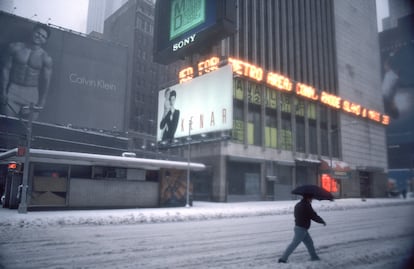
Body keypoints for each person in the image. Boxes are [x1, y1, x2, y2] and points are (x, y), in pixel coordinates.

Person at [1, 23, 53, 119]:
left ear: (45, 41)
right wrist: (3, 92)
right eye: (38, 33)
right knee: (7, 123)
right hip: (13, 89)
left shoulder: (45, 58)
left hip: (32, 93)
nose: (39, 36)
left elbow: (46, 82)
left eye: (43, 36)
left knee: (27, 128)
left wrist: (41, 102)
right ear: (33, 32)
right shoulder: (15, 48)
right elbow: (5, 70)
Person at [278, 194, 326, 263]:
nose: (311, 200)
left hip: (299, 227)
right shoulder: (306, 205)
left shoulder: (298, 204)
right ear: (308, 198)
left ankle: (314, 257)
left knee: (309, 243)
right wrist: (321, 221)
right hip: (301, 228)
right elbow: (313, 215)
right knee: (294, 244)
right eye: (311, 199)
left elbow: (296, 215)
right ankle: (283, 259)